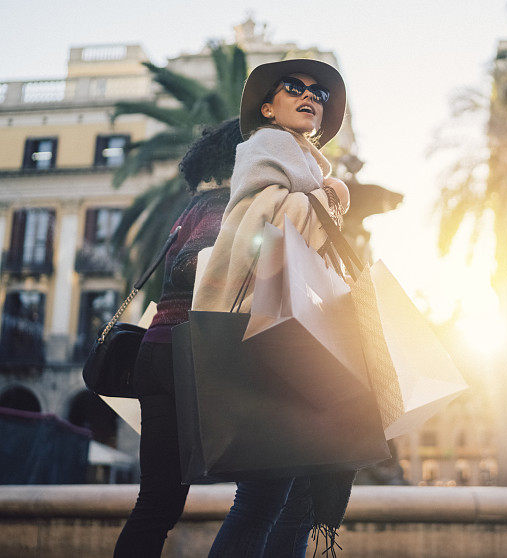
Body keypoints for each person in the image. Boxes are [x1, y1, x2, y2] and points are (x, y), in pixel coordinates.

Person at [192, 59, 352, 558]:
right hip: (266, 337)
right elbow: (265, 225)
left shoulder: (305, 166)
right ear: (268, 107)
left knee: (293, 494)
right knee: (265, 496)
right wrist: (325, 198)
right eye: (294, 88)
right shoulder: (267, 148)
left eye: (318, 94)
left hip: (294, 339)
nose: (310, 96)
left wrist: (325, 195)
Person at [113, 117, 242, 557]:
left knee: (157, 503)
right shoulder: (224, 204)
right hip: (183, 353)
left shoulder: (196, 205)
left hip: (160, 349)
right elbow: (191, 263)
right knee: (162, 505)